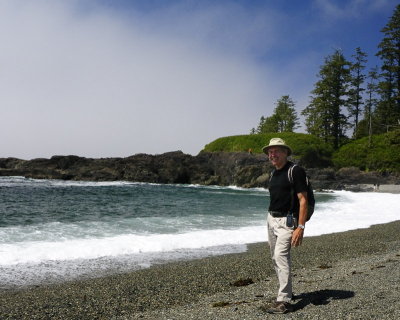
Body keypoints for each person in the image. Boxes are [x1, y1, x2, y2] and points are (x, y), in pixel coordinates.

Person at [262, 138, 308, 314]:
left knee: (281, 256)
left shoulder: (295, 171)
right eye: (270, 152)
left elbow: (303, 200)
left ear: (285, 152)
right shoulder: (274, 173)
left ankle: (284, 301)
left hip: (287, 222)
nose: (272, 154)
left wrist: (301, 227)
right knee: (275, 257)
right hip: (271, 219)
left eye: (276, 151)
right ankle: (286, 291)